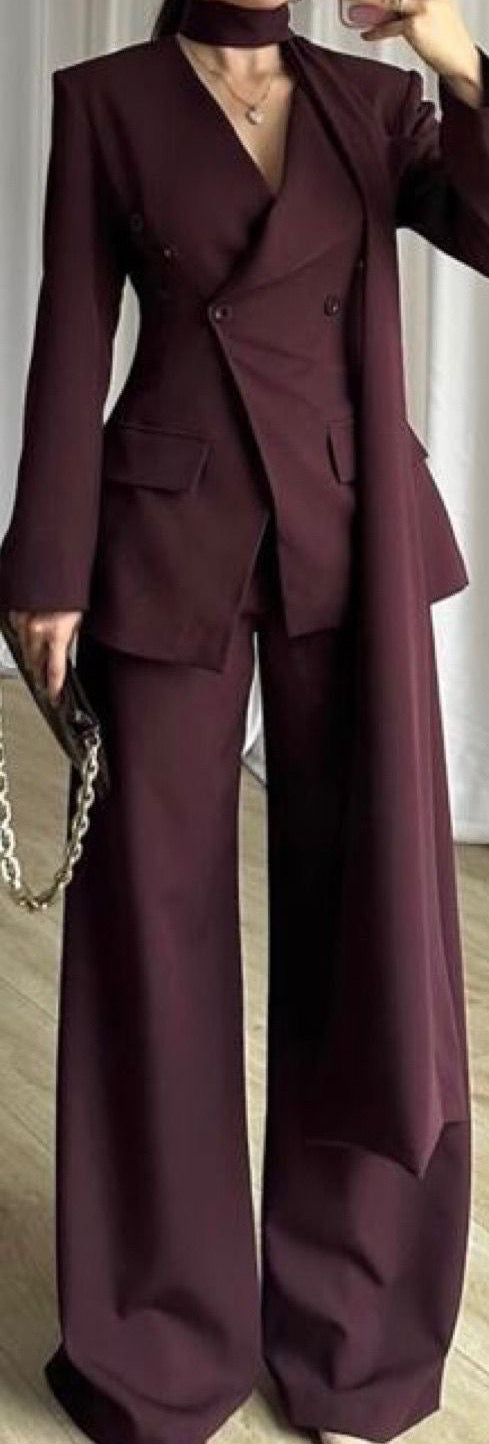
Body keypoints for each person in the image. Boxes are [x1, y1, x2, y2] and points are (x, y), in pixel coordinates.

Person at [0, 2, 486, 1442]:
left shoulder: (369, 102)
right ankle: (159, 1335)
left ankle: (353, 1332)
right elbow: (70, 336)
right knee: (149, 932)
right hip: (164, 538)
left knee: (370, 927)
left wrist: (456, 58)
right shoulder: (107, 100)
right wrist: (44, 566)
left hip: (350, 535)